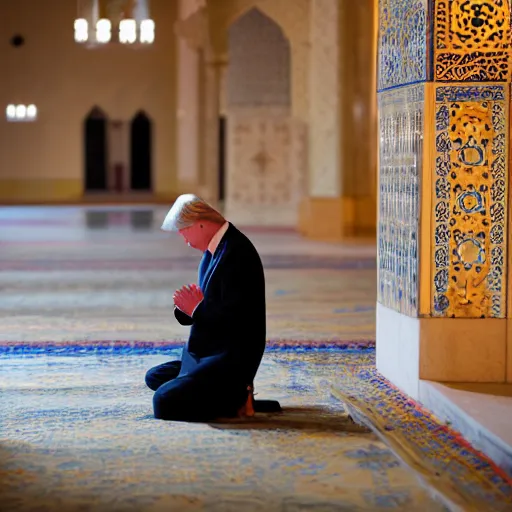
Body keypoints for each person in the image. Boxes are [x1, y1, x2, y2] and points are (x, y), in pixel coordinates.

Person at [145, 194, 281, 421]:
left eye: (184, 230)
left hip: (230, 358)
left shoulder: (237, 253)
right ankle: (229, 395)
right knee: (155, 377)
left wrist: (196, 309)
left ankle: (235, 398)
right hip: (208, 352)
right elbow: (207, 307)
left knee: (163, 401)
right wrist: (187, 309)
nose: (183, 238)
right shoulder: (213, 251)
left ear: (200, 223)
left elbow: (237, 323)